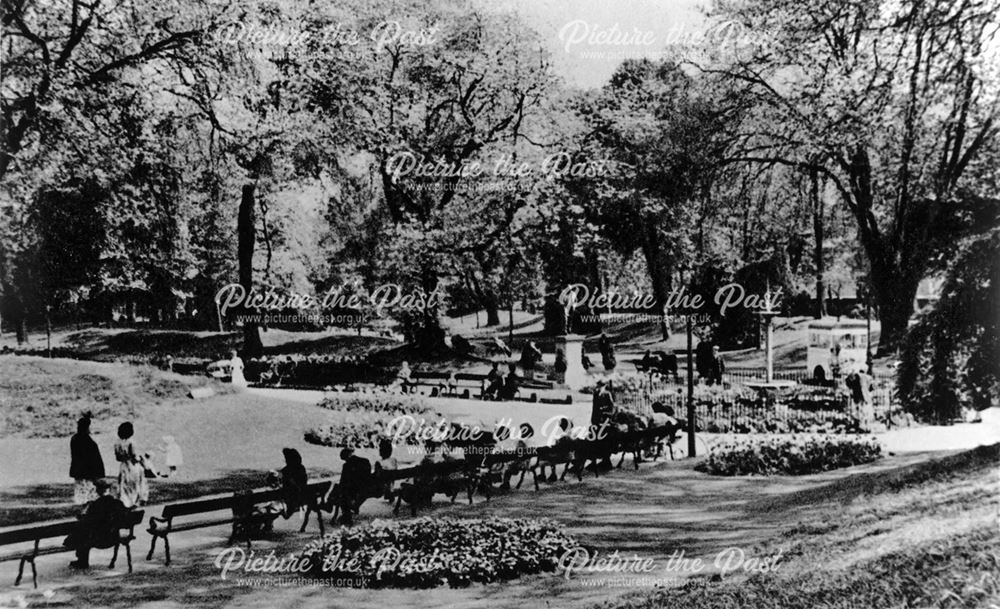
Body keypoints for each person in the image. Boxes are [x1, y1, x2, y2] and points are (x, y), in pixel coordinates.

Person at [63, 479, 128, 569]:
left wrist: (82, 517)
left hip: (99, 539)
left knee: (83, 532)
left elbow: (89, 521)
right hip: (113, 537)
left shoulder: (97, 504)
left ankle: (82, 561)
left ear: (98, 490)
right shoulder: (117, 503)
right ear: (108, 490)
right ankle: (81, 560)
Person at [70, 414, 105, 505]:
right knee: (88, 492)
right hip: (87, 472)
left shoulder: (74, 439)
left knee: (81, 490)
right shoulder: (89, 442)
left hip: (78, 470)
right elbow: (94, 458)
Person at [332, 448, 371, 525]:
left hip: (353, 491)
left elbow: (343, 481)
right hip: (364, 487)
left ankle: (345, 515)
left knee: (340, 490)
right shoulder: (365, 461)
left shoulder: (346, 466)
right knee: (342, 489)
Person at [114, 422, 148, 508]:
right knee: (135, 485)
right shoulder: (131, 442)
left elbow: (117, 458)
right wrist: (140, 459)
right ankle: (133, 503)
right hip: (132, 466)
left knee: (124, 485)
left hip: (123, 466)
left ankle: (125, 503)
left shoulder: (117, 443)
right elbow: (134, 456)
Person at [278, 448, 308, 518]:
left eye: (286, 458)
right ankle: (288, 512)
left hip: (291, 496)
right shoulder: (301, 468)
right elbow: (304, 481)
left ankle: (287, 513)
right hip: (302, 495)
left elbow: (279, 476)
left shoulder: (287, 470)